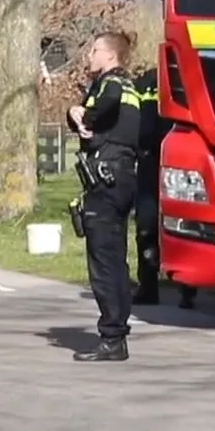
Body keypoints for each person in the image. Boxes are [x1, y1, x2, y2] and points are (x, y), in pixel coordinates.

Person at [69, 30, 142, 362]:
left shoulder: (111, 84)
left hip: (106, 177)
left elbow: (101, 106)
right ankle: (117, 334)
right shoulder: (130, 87)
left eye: (95, 49)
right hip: (123, 176)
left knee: (102, 261)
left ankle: (111, 336)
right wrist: (77, 115)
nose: (90, 56)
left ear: (110, 56)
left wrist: (86, 116)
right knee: (116, 259)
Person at [131, 54, 193, 310]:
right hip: (149, 160)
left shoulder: (188, 76)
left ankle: (189, 288)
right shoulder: (145, 82)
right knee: (146, 224)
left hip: (182, 161)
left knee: (186, 224)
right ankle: (148, 286)